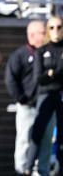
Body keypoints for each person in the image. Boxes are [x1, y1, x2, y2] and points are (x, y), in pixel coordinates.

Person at [5, 20, 54, 176]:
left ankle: (42, 171)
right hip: (28, 106)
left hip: (47, 104)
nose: (46, 35)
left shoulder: (51, 52)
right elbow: (10, 79)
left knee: (47, 139)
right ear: (32, 35)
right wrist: (22, 99)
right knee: (25, 139)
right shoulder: (20, 55)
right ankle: (21, 171)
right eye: (43, 32)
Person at [22, 16, 63, 176]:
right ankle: (27, 168)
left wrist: (52, 72)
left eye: (59, 27)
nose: (56, 31)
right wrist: (53, 73)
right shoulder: (42, 50)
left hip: (60, 96)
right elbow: (39, 78)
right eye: (52, 27)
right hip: (45, 95)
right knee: (37, 133)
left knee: (61, 137)